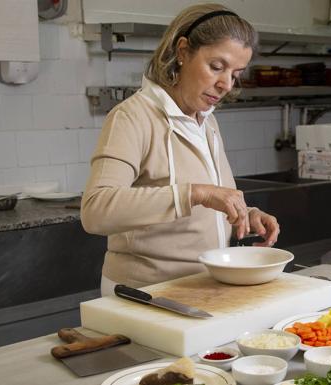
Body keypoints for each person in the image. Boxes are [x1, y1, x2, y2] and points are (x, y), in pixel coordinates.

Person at [81, 3, 280, 296]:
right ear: (183, 51)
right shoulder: (133, 117)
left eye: (235, 74)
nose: (226, 84)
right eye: (216, 67)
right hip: (145, 292)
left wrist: (244, 214)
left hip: (201, 286)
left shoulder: (207, 122)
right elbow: (95, 211)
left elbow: (202, 208)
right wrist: (196, 193)